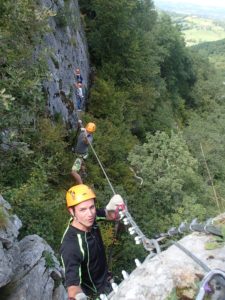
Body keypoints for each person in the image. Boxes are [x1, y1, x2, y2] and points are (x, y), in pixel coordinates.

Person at [60, 184, 125, 300]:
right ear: (71, 211)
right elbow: (72, 285)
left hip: (107, 280)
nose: (89, 214)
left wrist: (113, 208)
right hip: (95, 295)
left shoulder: (90, 219)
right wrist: (77, 296)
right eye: (82, 210)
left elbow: (110, 215)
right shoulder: (71, 245)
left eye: (92, 207)